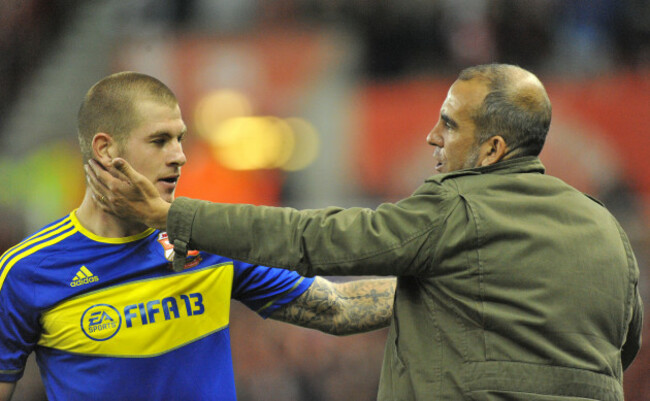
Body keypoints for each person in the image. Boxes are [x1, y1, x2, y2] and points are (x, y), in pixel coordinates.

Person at [88, 63, 643, 400]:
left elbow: (319, 239)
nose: (431, 136)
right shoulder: (607, 229)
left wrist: (174, 217)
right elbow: (625, 345)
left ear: (493, 149)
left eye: (449, 124)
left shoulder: (458, 209)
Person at [0, 72, 396, 401]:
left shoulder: (206, 239)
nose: (179, 156)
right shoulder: (28, 270)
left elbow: (336, 307)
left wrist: (452, 283)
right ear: (105, 149)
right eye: (159, 141)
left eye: (180, 138)